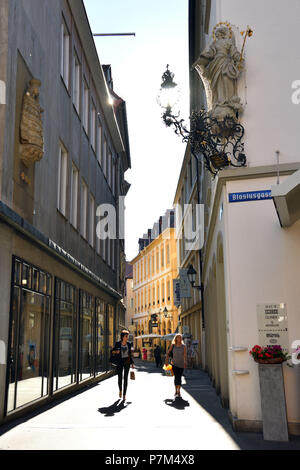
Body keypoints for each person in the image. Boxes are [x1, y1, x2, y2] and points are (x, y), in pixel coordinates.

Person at [111, 330, 134, 401]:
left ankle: (124, 395)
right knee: (120, 378)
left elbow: (130, 354)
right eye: (126, 336)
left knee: (126, 379)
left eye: (128, 336)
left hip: (127, 362)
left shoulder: (129, 344)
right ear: (122, 337)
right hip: (120, 362)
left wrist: (132, 363)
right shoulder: (118, 344)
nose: (127, 338)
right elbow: (112, 351)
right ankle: (120, 390)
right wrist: (116, 351)